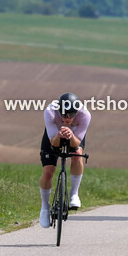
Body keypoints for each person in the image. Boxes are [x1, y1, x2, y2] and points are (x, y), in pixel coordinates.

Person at [38, 92, 90, 227]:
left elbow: (76, 143)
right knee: (48, 170)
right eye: (64, 115)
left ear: (76, 112)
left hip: (75, 136)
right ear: (59, 110)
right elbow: (54, 143)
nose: (68, 119)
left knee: (77, 155)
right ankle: (44, 207)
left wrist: (71, 135)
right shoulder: (50, 111)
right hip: (55, 134)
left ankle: (74, 194)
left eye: (71, 115)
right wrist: (59, 135)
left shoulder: (84, 114)